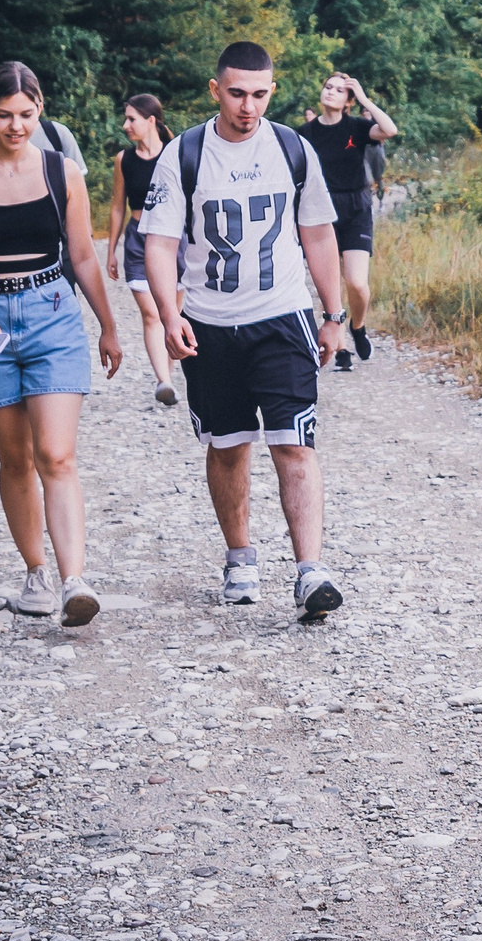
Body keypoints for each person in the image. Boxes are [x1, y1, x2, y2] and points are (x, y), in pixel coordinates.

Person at [139, 40, 350, 620]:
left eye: (259, 94)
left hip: (282, 317)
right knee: (228, 447)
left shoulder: (292, 149)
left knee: (294, 445)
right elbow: (157, 243)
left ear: (272, 92)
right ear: (215, 91)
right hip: (210, 324)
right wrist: (169, 313)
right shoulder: (183, 154)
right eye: (236, 93)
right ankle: (240, 558)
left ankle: (311, 572)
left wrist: (334, 315)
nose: (247, 106)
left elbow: (319, 236)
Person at [0, 63, 124, 626]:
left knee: (57, 454)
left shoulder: (60, 171)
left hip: (52, 313)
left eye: (26, 114)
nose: (16, 126)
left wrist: (109, 326)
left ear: (39, 110)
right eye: (3, 115)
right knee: (15, 459)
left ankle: (75, 582)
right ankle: (36, 573)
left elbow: (83, 255)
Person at [295, 72, 398, 371]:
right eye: (328, 86)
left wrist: (365, 98)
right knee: (331, 283)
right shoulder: (305, 133)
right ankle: (341, 349)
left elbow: (389, 130)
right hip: (321, 213)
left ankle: (359, 326)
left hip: (355, 209)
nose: (331, 92)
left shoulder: (357, 127)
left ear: (348, 101)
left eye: (340, 90)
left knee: (356, 282)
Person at [107, 93, 181, 405]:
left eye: (132, 119)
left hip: (173, 238)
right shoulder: (124, 159)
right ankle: (163, 380)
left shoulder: (175, 153)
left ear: (151, 121)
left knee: (172, 314)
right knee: (152, 314)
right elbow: (116, 207)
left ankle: (170, 375)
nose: (126, 125)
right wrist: (111, 250)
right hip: (138, 239)